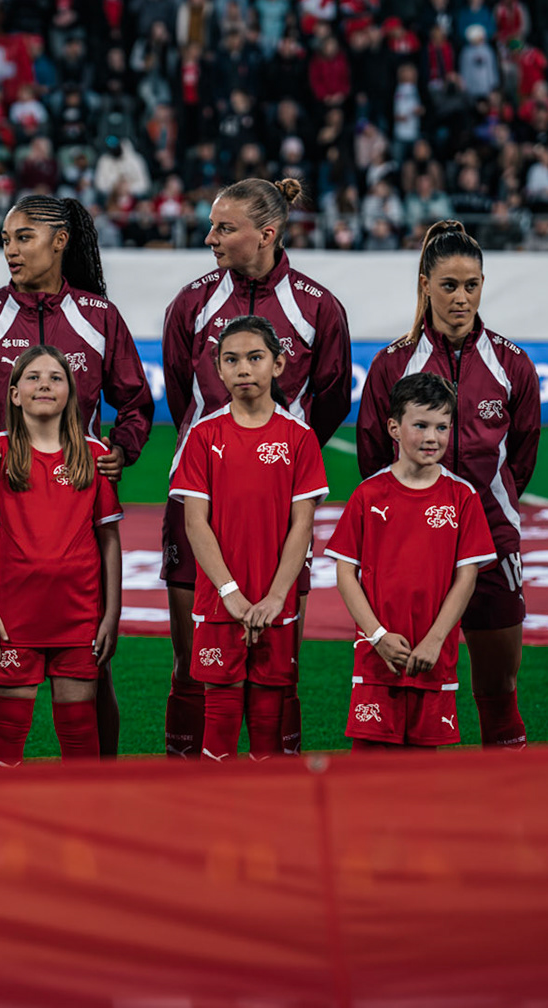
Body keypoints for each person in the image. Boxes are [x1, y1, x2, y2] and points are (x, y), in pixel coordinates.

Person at [0, 194, 155, 760]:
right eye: (5, 239)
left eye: (22, 237)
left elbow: (136, 405)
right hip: (4, 521)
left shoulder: (100, 316)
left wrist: (121, 452)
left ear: (60, 241)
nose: (10, 249)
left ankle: (97, 787)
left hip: (79, 518)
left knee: (96, 666)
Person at [160, 176, 352, 757]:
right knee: (192, 656)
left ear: (265, 233)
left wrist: (275, 463)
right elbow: (179, 395)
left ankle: (277, 779)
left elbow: (334, 399)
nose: (209, 238)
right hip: (196, 494)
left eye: (224, 228)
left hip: (279, 504)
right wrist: (225, 456)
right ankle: (188, 780)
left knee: (277, 657)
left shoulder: (319, 306)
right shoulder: (191, 302)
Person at [356, 220, 539, 748]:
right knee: (407, 688)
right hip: (409, 550)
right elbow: (372, 459)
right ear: (425, 285)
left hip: (492, 546)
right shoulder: (392, 364)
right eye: (449, 285)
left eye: (472, 285)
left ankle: (503, 811)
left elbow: (521, 458)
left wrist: (485, 516)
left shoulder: (512, 364)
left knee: (499, 690)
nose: (462, 298)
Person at [169, 316, 328, 760]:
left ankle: (269, 822)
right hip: (220, 604)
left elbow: (303, 525)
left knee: (267, 728)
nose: (244, 369)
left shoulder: (299, 438)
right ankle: (217, 823)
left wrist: (277, 597)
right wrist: (231, 594)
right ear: (217, 369)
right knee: (217, 728)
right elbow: (195, 524)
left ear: (278, 364)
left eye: (255, 358)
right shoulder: (202, 436)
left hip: (276, 604)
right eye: (231, 359)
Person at [0, 346, 125, 765]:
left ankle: (82, 820)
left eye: (56, 377)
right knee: (6, 732)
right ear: (15, 394)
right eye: (33, 377)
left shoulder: (93, 456)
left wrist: (111, 614)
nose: (44, 385)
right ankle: (2, 822)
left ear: (71, 392)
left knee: (79, 734)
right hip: (13, 616)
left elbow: (109, 538)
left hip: (78, 614)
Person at [327, 372, 495, 750]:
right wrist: (377, 636)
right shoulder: (368, 494)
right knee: (370, 777)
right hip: (376, 662)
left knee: (423, 781)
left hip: (434, 658)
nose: (432, 437)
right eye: (420, 425)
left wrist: (435, 641)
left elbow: (466, 579)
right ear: (394, 428)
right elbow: (345, 573)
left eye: (442, 427)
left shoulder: (462, 497)